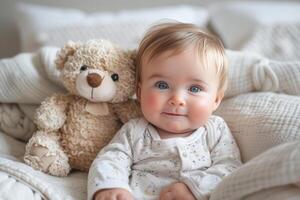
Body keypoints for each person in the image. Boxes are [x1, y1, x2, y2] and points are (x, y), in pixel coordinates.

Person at [88, 22, 241, 200]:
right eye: (162, 85)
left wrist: (194, 189)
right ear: (139, 93)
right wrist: (111, 187)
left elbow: (230, 168)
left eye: (195, 88)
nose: (177, 99)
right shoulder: (135, 131)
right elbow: (111, 159)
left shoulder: (215, 130)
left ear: (216, 99)